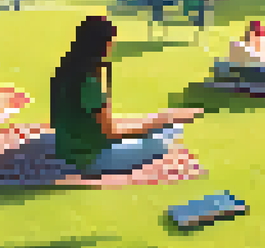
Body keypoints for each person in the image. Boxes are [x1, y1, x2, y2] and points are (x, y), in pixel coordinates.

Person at [51, 15, 204, 176]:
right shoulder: (88, 81)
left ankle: (159, 122)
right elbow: (110, 133)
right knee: (171, 132)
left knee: (161, 124)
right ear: (104, 45)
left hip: (64, 148)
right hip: (92, 159)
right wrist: (158, 123)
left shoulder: (65, 69)